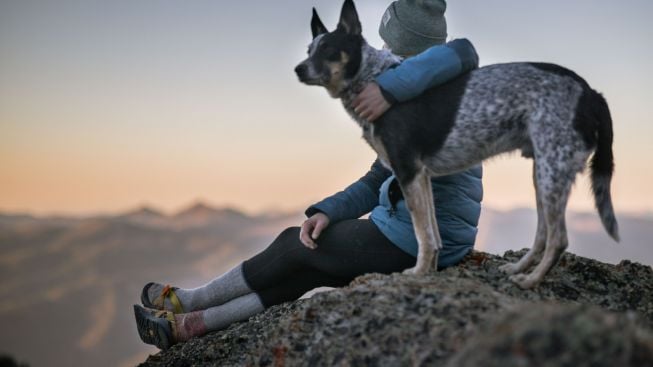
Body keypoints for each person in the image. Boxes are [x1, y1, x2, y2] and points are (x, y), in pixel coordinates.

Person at [134, 0, 483, 350]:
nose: (380, 51)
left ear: (409, 50)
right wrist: (329, 210)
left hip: (422, 240)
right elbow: (379, 176)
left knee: (293, 245)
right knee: (307, 268)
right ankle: (189, 327)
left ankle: (190, 302)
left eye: (388, 45)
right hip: (419, 232)